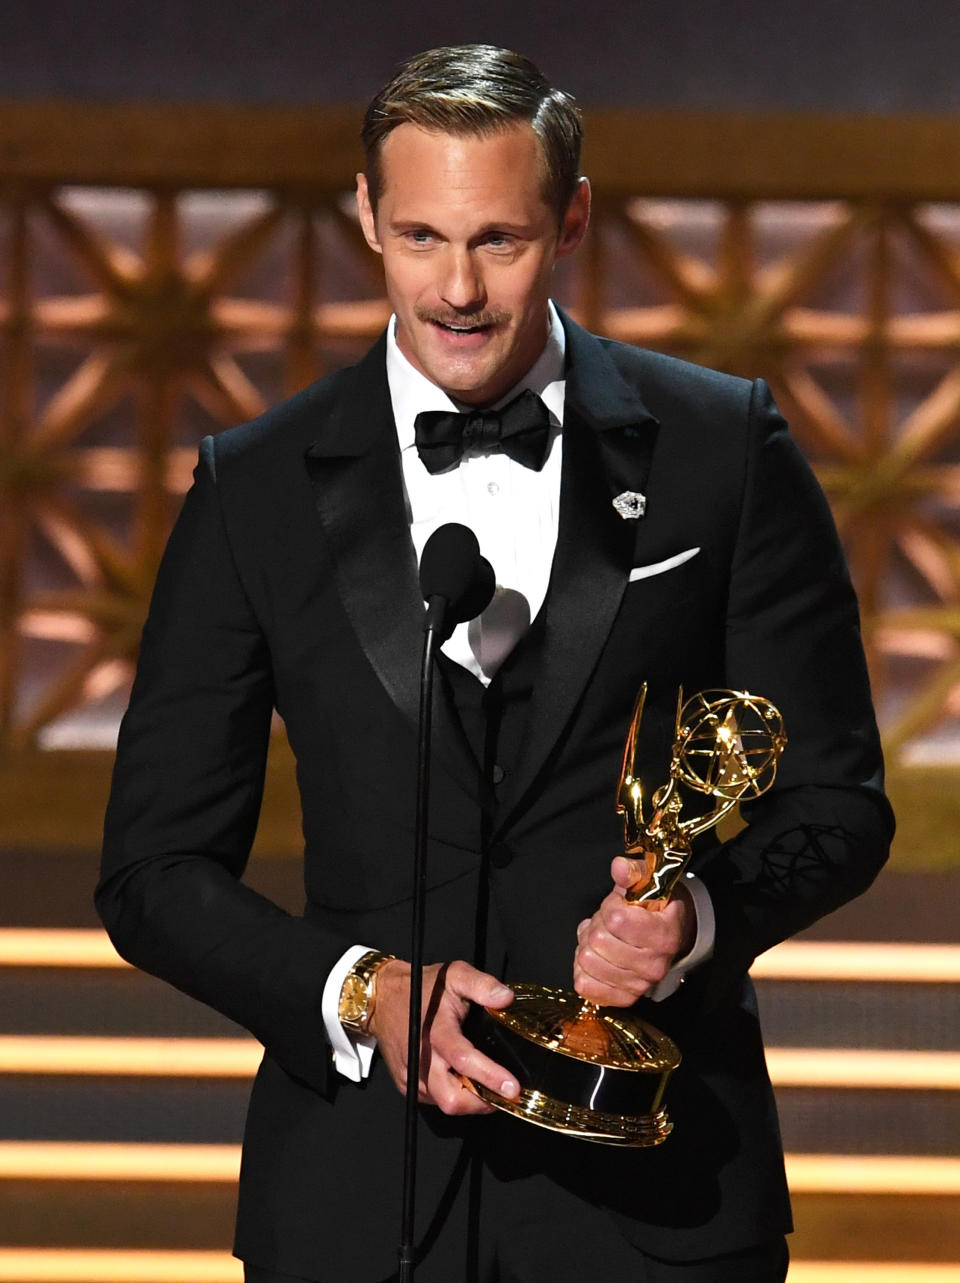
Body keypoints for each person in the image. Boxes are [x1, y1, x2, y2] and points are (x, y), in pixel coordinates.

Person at [96, 44, 893, 1283]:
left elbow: (838, 797)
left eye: (499, 241)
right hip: (357, 1205)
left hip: (660, 1197)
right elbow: (150, 869)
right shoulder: (252, 489)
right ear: (365, 217)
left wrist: (696, 917)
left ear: (570, 220)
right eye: (419, 236)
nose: (457, 289)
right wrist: (360, 993)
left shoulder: (722, 451)